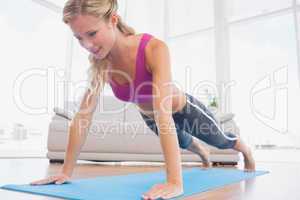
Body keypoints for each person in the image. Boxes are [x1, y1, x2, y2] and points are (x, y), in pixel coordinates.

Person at [30, 0, 255, 199]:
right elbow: (83, 115)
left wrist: (175, 182)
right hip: (151, 116)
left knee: (221, 141)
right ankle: (202, 153)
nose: (87, 45)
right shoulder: (100, 62)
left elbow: (163, 112)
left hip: (183, 109)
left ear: (113, 20)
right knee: (185, 143)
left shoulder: (153, 48)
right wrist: (66, 171)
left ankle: (247, 151)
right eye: (79, 38)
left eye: (92, 33)